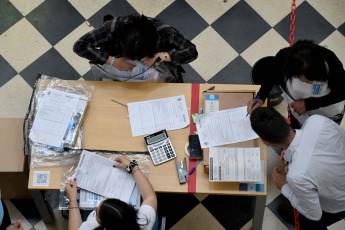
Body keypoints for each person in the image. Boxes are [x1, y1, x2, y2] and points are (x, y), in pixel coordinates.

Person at [250, 107, 345, 229]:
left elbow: (315, 215)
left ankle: (299, 217)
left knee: (310, 222)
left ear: (265, 142)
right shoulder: (316, 121)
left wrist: (284, 186)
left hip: (337, 205)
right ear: (285, 119)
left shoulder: (296, 176)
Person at [247, 40, 345, 128]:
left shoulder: (332, 63)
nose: (312, 83)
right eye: (307, 81)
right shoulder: (283, 58)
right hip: (298, 110)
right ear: (294, 73)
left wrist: (308, 104)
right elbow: (271, 74)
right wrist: (261, 97)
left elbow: (342, 92)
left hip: (327, 110)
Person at [73, 14, 198, 83]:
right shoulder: (112, 28)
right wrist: (113, 61)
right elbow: (80, 46)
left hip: (161, 75)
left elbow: (191, 51)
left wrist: (160, 56)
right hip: (119, 77)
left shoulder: (165, 32)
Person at [65, 156, 157, 230]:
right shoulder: (143, 222)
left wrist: (72, 200)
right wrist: (132, 166)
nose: (94, 207)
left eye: (97, 212)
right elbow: (150, 197)